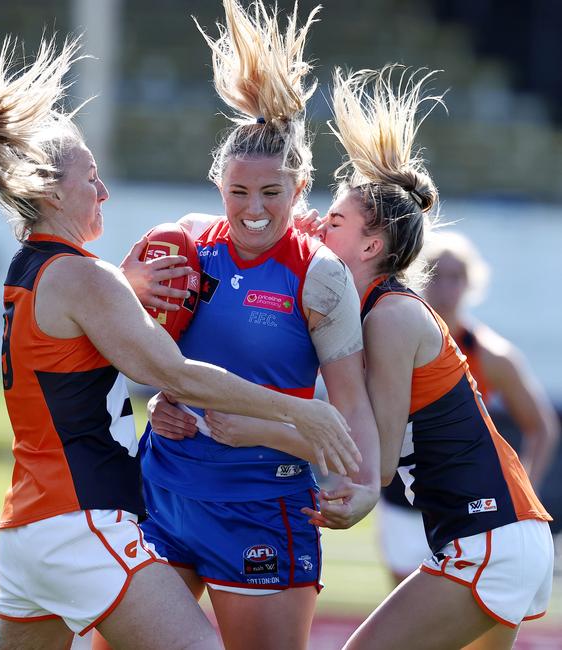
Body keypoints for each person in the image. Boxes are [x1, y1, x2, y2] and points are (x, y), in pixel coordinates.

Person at [0, 35, 361, 650]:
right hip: (83, 521)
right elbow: (181, 374)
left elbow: (92, 319)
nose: (104, 191)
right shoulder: (87, 279)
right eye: (92, 177)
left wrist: (125, 282)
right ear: (54, 193)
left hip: (27, 531)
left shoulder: (31, 271)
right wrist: (299, 410)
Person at [135, 2, 380, 649]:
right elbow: (136, 354)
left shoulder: (318, 274)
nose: (252, 209)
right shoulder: (185, 246)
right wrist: (158, 398)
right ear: (218, 183)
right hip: (162, 493)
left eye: (271, 193)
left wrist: (366, 489)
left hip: (261, 508)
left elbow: (350, 403)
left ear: (298, 189)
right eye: (239, 192)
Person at [298, 66, 554, 650]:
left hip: (488, 537)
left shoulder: (390, 316)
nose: (317, 227)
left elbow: (380, 464)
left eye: (332, 221)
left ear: (369, 245)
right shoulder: (373, 312)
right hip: (497, 535)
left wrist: (267, 430)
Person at [377, 231, 560, 586]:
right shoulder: (388, 336)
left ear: (471, 283)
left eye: (456, 276)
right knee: (410, 623)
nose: (445, 287)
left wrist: (522, 491)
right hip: (402, 503)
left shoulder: (491, 354)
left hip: (466, 507)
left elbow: (542, 426)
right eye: (435, 272)